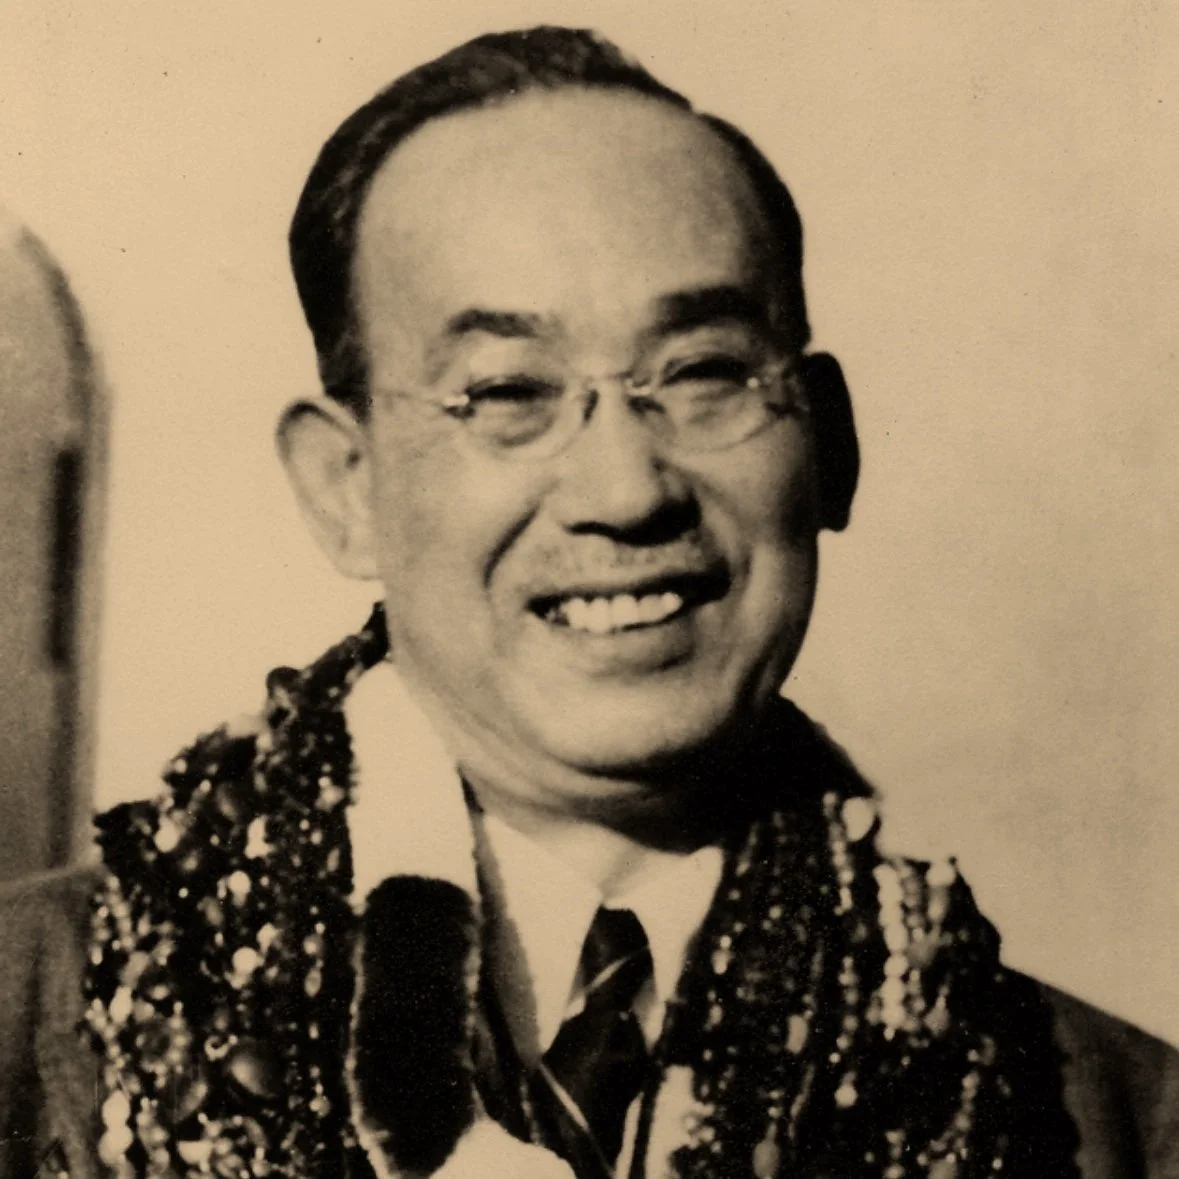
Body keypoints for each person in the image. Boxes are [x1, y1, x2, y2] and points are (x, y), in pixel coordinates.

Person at [1, 26, 1175, 1179]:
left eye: (708, 372)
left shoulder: (1118, 1122)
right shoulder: (24, 1018)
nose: (626, 491)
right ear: (345, 490)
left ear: (832, 444)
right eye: (509, 390)